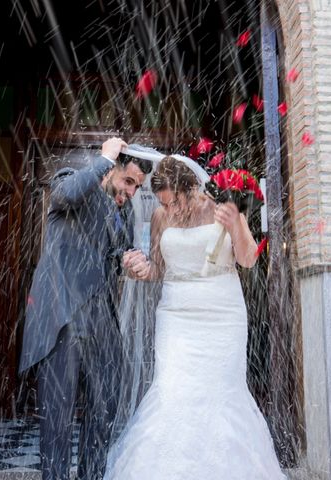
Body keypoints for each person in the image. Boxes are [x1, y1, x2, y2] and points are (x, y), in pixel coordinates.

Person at [104, 157, 285, 479]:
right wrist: (139, 270)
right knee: (172, 390)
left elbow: (246, 260)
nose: (170, 210)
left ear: (190, 188)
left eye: (174, 202)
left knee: (221, 392)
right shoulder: (161, 217)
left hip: (222, 316)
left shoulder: (221, 209)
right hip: (175, 317)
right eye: (164, 204)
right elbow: (158, 269)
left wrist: (238, 224)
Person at [19, 137, 152, 480]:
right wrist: (104, 158)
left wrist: (130, 260)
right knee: (57, 414)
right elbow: (64, 196)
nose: (132, 192)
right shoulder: (70, 180)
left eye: (138, 187)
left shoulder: (121, 212)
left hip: (100, 318)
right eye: (128, 181)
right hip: (62, 314)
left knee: (106, 402)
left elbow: (115, 255)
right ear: (112, 169)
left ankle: (91, 475)